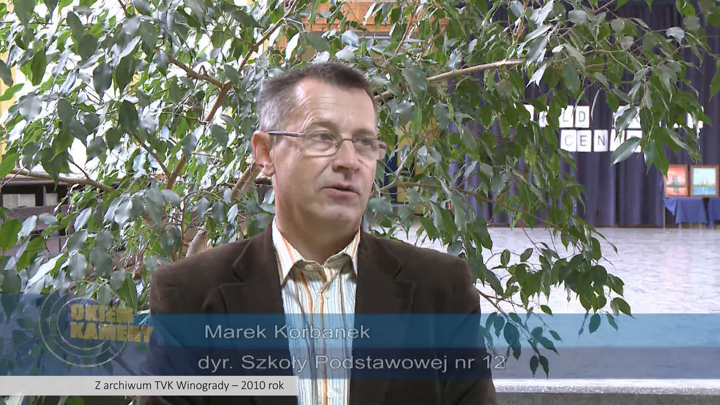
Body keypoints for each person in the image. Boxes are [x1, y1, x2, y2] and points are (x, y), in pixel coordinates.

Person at [139, 62, 497, 405]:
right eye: (323, 137)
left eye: (365, 142)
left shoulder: (441, 290)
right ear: (265, 153)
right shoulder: (189, 295)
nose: (349, 161)